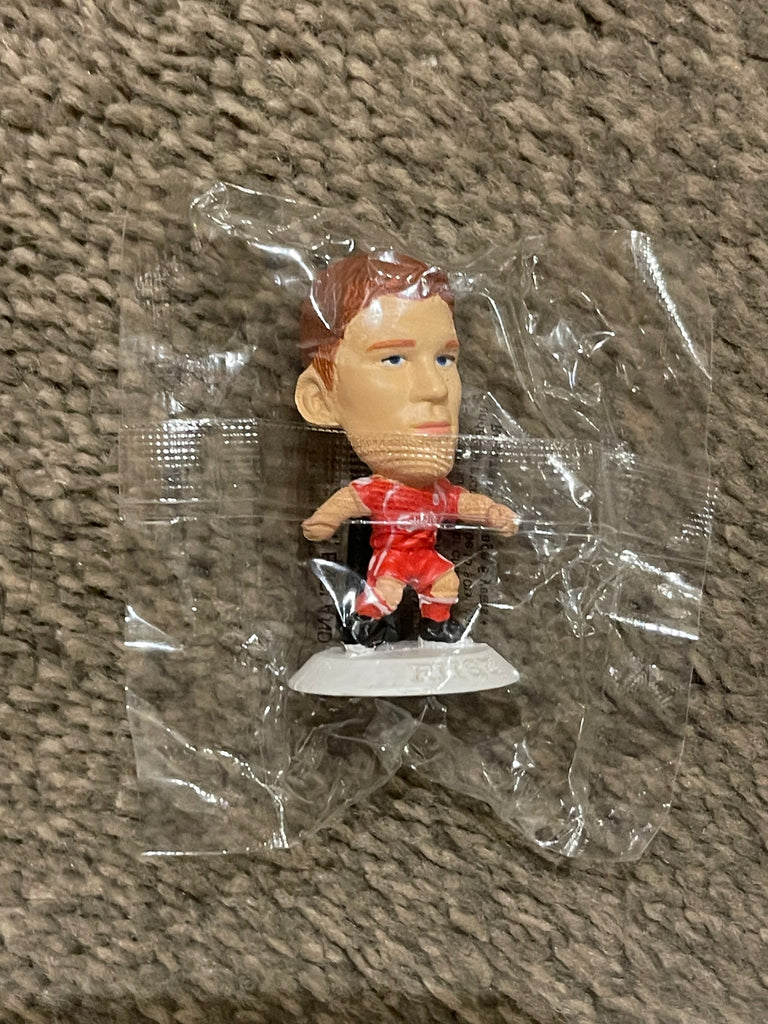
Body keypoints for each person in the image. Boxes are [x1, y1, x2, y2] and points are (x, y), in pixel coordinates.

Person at [295, 250, 518, 645]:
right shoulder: (381, 491)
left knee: (446, 582)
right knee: (387, 593)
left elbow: (464, 503)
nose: (435, 389)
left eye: (445, 359)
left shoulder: (437, 493)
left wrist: (492, 512)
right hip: (393, 560)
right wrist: (322, 523)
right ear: (320, 399)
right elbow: (347, 502)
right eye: (394, 358)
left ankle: (436, 627)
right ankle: (364, 625)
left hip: (426, 558)